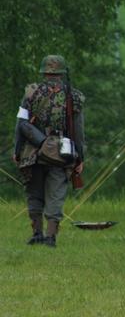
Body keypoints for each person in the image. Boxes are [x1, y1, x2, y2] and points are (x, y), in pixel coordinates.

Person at [12, 55, 85, 247]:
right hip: (61, 153)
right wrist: (80, 157)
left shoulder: (31, 92)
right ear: (62, 72)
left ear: (44, 72)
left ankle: (37, 234)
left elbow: (21, 124)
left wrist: (17, 151)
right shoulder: (74, 96)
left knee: (34, 193)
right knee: (56, 194)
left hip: (32, 151)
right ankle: (50, 237)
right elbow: (78, 131)